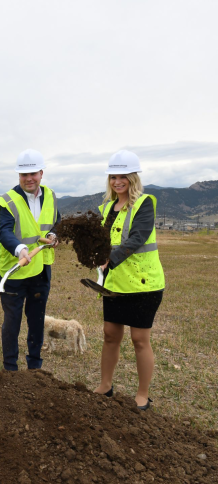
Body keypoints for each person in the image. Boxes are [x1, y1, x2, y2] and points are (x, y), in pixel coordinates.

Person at [93, 150, 165, 410]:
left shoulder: (144, 203)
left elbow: (137, 238)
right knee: (110, 335)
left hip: (144, 283)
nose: (117, 181)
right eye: (113, 177)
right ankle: (105, 385)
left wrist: (109, 258)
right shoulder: (105, 209)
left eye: (123, 176)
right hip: (114, 284)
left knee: (139, 339)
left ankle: (143, 395)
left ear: (133, 178)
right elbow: (99, 240)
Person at [0, 149, 60, 371]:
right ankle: (10, 368)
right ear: (18, 176)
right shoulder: (8, 201)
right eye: (24, 175)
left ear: (41, 173)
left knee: (36, 319)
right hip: (14, 271)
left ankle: (34, 367)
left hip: (40, 270)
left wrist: (54, 235)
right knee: (12, 322)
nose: (29, 179)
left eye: (33, 174)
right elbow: (3, 232)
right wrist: (20, 249)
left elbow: (55, 222)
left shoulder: (50, 196)